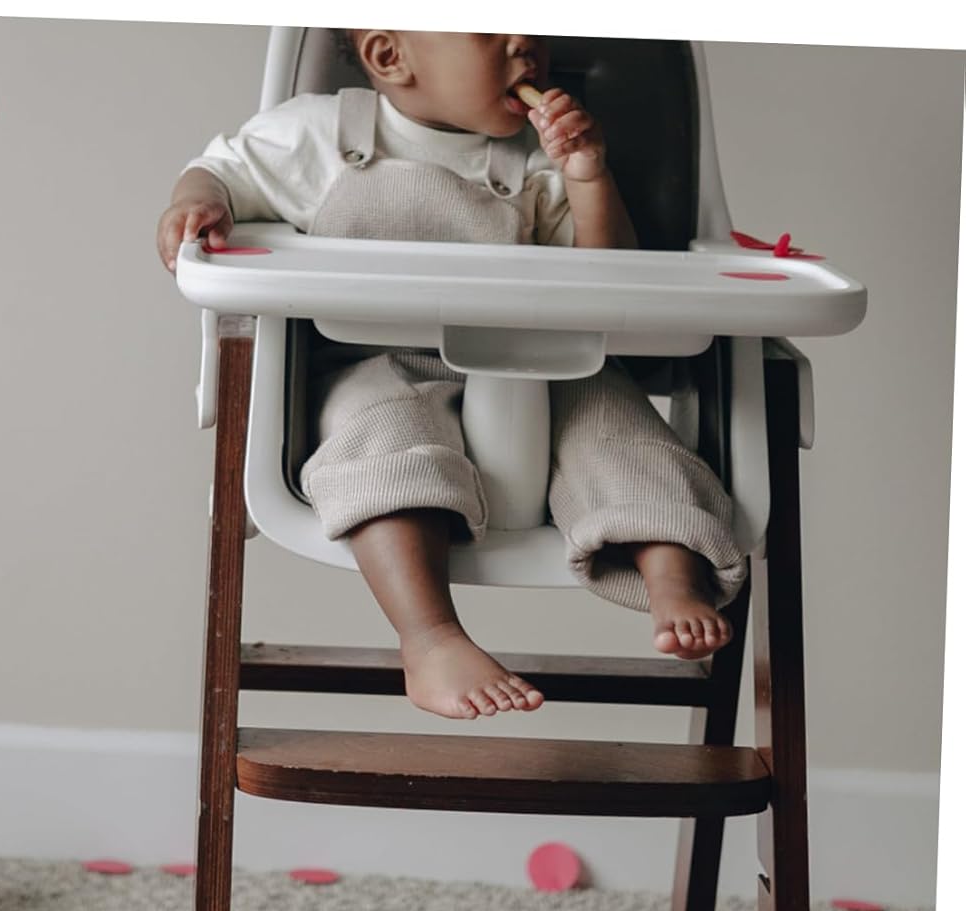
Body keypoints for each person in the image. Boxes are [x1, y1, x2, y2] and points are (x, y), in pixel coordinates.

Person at [157, 30, 748, 722]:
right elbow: (220, 171)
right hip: (379, 364)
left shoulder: (539, 157)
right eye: (491, 27)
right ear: (389, 57)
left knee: (624, 435)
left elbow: (610, 280)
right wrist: (198, 205)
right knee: (381, 444)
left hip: (546, 369)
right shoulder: (321, 135)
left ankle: (673, 576)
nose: (525, 44)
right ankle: (431, 635)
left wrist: (589, 179)